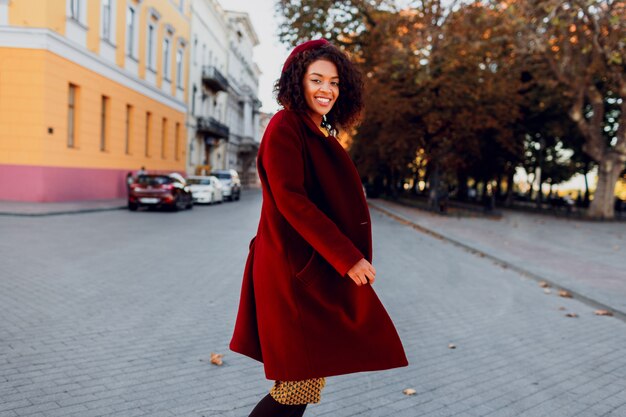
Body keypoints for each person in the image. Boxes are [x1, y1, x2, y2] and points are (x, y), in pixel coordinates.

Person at [230, 39, 408, 417]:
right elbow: (292, 200)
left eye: (335, 82)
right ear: (298, 81)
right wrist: (348, 258)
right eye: (317, 80)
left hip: (306, 268)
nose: (327, 89)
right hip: (291, 271)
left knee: (303, 382)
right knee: (297, 385)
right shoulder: (285, 126)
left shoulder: (314, 128)